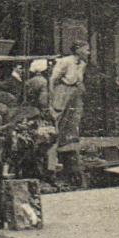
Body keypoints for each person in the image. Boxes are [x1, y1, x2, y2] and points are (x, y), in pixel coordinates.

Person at [49, 41, 91, 187]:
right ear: (78, 50)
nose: (88, 53)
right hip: (63, 90)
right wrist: (53, 96)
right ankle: (55, 151)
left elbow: (79, 79)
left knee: (73, 120)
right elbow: (53, 79)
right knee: (58, 118)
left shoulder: (83, 64)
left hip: (75, 92)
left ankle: (68, 143)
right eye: (86, 50)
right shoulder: (65, 61)